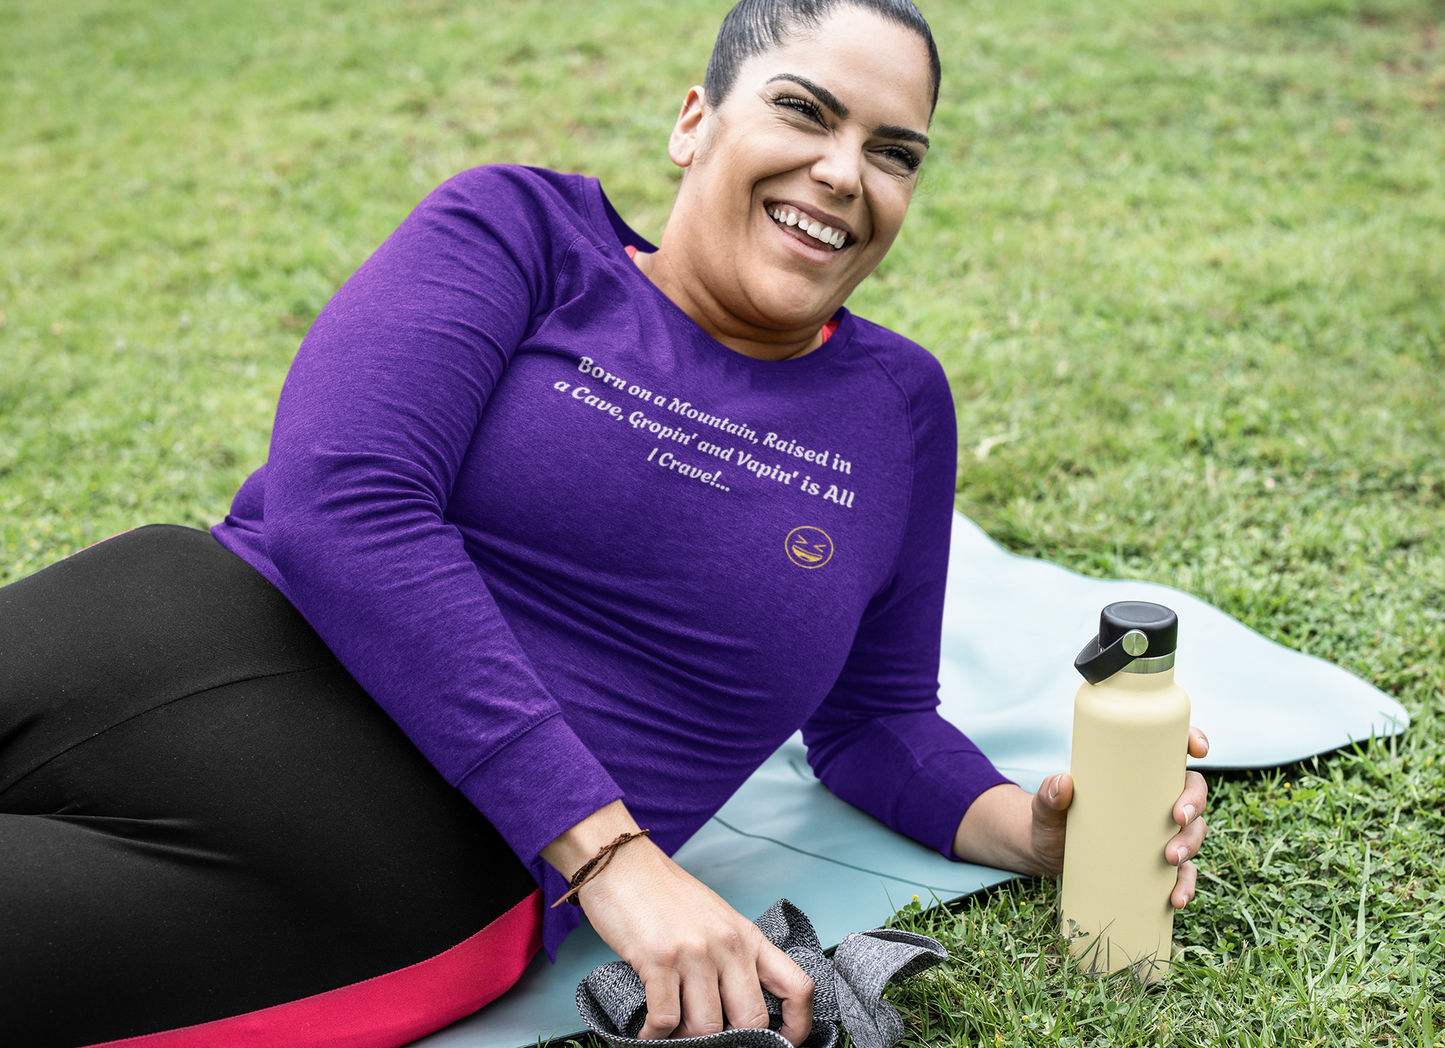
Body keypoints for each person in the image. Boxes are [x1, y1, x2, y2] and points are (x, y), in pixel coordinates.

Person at [0, 1, 1210, 1046]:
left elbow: (874, 724)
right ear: (695, 122)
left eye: (893, 153)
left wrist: (1031, 832)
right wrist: (614, 857)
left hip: (395, 849)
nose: (846, 173)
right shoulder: (518, 232)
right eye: (804, 111)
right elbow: (343, 499)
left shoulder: (894, 409)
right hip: (171, 627)